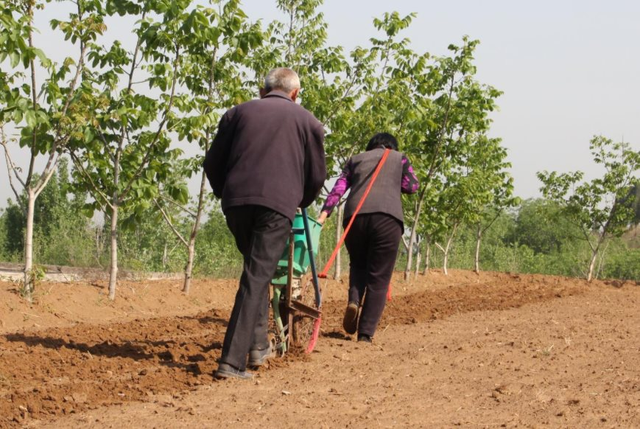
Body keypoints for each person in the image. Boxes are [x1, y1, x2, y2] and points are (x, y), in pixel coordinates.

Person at [203, 68, 326, 379]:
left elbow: (212, 162)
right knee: (256, 277)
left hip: (236, 204)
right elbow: (316, 176)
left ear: (263, 90)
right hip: (276, 205)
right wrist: (300, 201)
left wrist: (226, 193)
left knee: (255, 271)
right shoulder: (308, 122)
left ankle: (258, 346)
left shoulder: (236, 114)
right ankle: (231, 362)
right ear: (295, 94)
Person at [317, 133, 419, 343]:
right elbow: (412, 186)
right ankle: (365, 334)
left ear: (371, 146)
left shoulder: (355, 159)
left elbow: (339, 189)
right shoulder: (399, 158)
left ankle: (354, 300)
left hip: (354, 218)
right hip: (387, 219)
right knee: (379, 278)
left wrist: (324, 214)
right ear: (392, 146)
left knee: (358, 265)